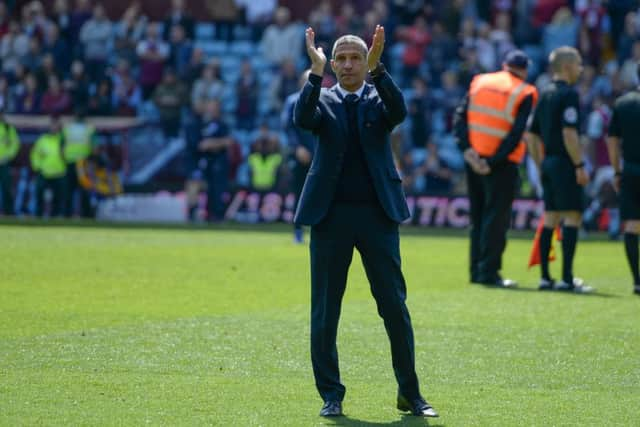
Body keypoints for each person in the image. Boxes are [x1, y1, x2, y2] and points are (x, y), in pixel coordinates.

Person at [294, 26, 438, 418]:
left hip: (378, 216)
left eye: (355, 57)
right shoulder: (320, 98)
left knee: (394, 306)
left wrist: (379, 71)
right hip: (330, 217)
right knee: (325, 311)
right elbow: (301, 118)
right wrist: (315, 70)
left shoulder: (379, 97)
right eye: (340, 58)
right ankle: (331, 396)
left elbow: (400, 112)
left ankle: (410, 393)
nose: (347, 64)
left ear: (367, 59)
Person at [453, 49, 538, 287]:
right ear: (524, 70)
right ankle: (489, 273)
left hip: (473, 159)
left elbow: (460, 117)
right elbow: (515, 135)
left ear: (504, 65)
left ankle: (475, 271)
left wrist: (467, 150)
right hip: (501, 164)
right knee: (496, 219)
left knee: (478, 218)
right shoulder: (525, 91)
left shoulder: (480, 81)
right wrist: (491, 162)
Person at [527, 46, 593, 293]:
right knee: (573, 216)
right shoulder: (569, 95)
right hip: (565, 164)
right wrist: (579, 165)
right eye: (578, 64)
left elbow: (531, 137)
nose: (581, 68)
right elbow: (569, 133)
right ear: (567, 66)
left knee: (552, 217)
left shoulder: (544, 94)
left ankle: (545, 278)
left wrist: (539, 163)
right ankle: (567, 279)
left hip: (548, 163)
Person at [606, 63, 640, 295]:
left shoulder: (623, 103)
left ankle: (637, 281)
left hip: (630, 170)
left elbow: (612, 141)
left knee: (631, 224)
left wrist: (617, 170)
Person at [282, 68, 316, 243]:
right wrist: (297, 148)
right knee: (299, 192)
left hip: (319, 155)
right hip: (300, 155)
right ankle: (298, 230)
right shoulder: (292, 101)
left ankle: (320, 230)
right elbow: (288, 128)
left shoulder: (323, 100)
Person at [30, 114, 67, 217]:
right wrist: (37, 167)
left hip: (59, 172)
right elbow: (35, 154)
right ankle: (38, 216)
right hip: (44, 172)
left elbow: (68, 154)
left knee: (58, 198)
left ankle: (55, 217)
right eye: (52, 125)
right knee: (39, 196)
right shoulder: (43, 140)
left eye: (56, 125)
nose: (54, 127)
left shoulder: (63, 139)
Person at [62, 108, 96, 217]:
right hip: (83, 164)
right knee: (85, 190)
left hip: (70, 162)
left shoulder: (67, 128)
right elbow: (95, 147)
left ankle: (67, 215)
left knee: (68, 191)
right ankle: (86, 215)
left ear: (75, 117)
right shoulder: (89, 129)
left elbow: (61, 145)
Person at [0, 110, 20, 215]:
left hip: (4, 163)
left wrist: (8, 157)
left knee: (7, 188)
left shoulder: (8, 129)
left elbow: (15, 144)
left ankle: (9, 213)